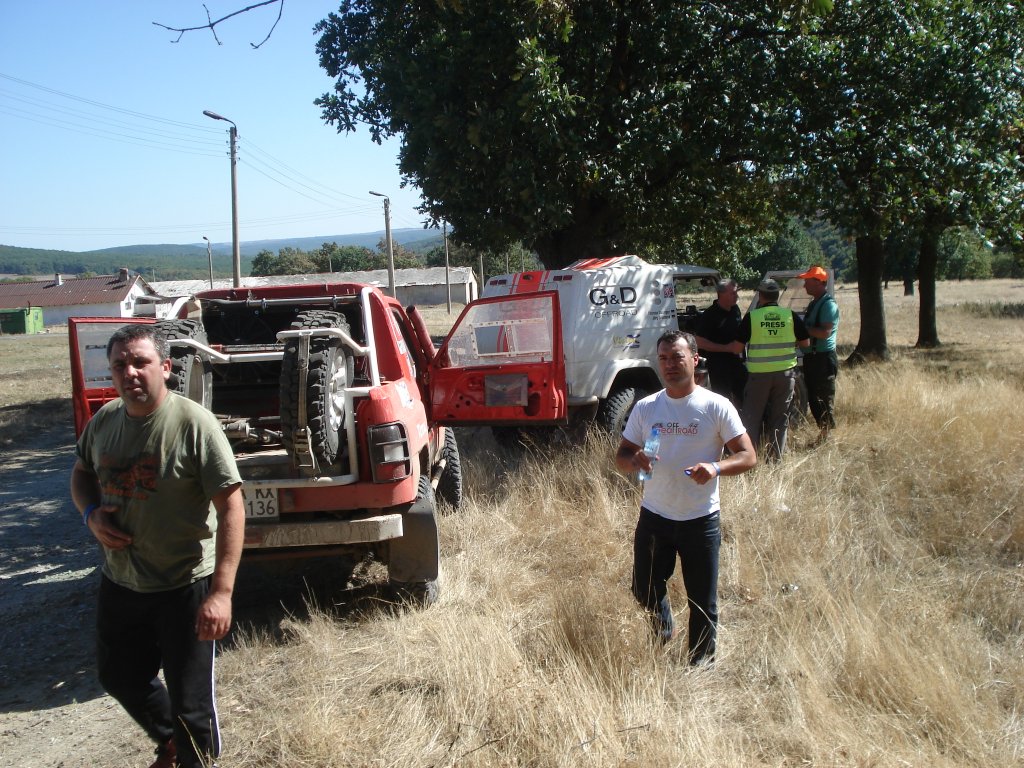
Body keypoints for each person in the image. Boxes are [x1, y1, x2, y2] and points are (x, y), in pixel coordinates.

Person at [70, 324, 244, 768]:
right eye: (119, 365)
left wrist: (221, 594)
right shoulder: (105, 421)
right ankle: (171, 741)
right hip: (122, 580)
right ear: (110, 372)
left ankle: (194, 757)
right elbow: (81, 474)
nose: (130, 372)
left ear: (165, 368)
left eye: (140, 362)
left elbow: (232, 509)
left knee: (192, 704)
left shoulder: (194, 425)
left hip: (184, 583)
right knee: (119, 676)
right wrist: (90, 515)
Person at [615, 331, 756, 665]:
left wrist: (716, 466)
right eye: (663, 358)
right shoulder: (646, 407)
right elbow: (622, 455)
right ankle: (664, 630)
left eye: (676, 357)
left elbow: (748, 455)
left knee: (702, 602)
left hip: (700, 519)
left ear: (694, 360)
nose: (669, 365)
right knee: (644, 588)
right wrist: (635, 460)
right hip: (655, 516)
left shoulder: (715, 406)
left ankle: (700, 666)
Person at [728, 279, 809, 461]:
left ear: (761, 295)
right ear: (777, 295)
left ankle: (749, 459)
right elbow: (806, 344)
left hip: (759, 376)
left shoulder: (753, 317)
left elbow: (736, 349)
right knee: (780, 419)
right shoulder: (790, 315)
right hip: (786, 376)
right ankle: (776, 460)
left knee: (751, 419)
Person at [797, 265, 840, 442]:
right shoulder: (815, 302)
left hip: (822, 359)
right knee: (814, 398)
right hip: (813, 358)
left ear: (818, 282)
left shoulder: (828, 305)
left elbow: (825, 333)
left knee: (823, 397)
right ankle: (823, 433)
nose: (804, 285)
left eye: (807, 281)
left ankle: (827, 436)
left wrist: (802, 330)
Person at [693, 278, 746, 406]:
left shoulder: (735, 310)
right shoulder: (710, 315)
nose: (736, 296)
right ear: (721, 294)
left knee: (746, 397)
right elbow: (699, 342)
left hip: (738, 363)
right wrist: (727, 348)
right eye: (732, 293)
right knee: (723, 402)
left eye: (736, 292)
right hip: (719, 367)